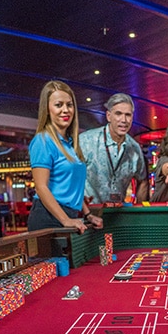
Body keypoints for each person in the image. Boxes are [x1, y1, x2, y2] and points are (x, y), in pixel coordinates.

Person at [28, 80, 102, 233]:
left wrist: (88, 215)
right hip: (47, 217)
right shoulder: (43, 140)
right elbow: (41, 187)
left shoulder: (70, 144)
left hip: (68, 214)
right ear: (47, 109)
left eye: (69, 105)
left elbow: (71, 187)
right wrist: (65, 220)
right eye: (58, 105)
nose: (65, 110)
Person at [79, 93, 148, 204]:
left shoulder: (135, 148)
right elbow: (69, 177)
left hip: (118, 214)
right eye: (118, 114)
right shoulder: (85, 141)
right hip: (88, 213)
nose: (124, 120)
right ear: (108, 116)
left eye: (128, 115)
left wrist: (140, 211)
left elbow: (143, 180)